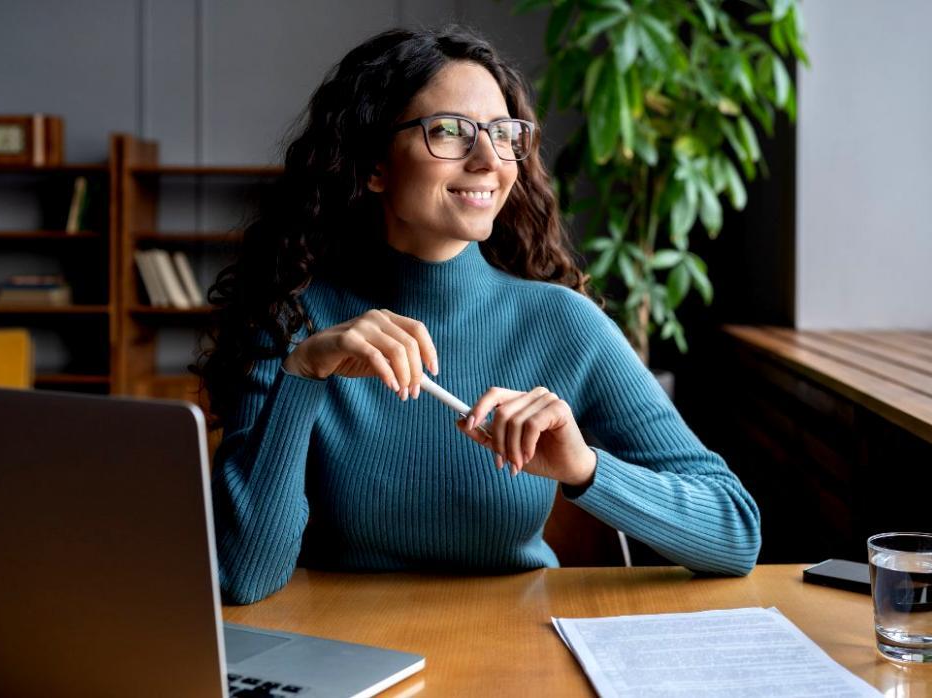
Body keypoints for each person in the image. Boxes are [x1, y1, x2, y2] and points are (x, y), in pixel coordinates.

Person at [198, 25, 761, 605]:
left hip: (519, 663)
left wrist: (585, 468)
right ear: (373, 165)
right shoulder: (293, 324)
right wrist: (303, 375)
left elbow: (735, 533)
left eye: (503, 133)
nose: (489, 159)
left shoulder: (564, 324)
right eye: (449, 131)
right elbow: (244, 577)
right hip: (348, 664)